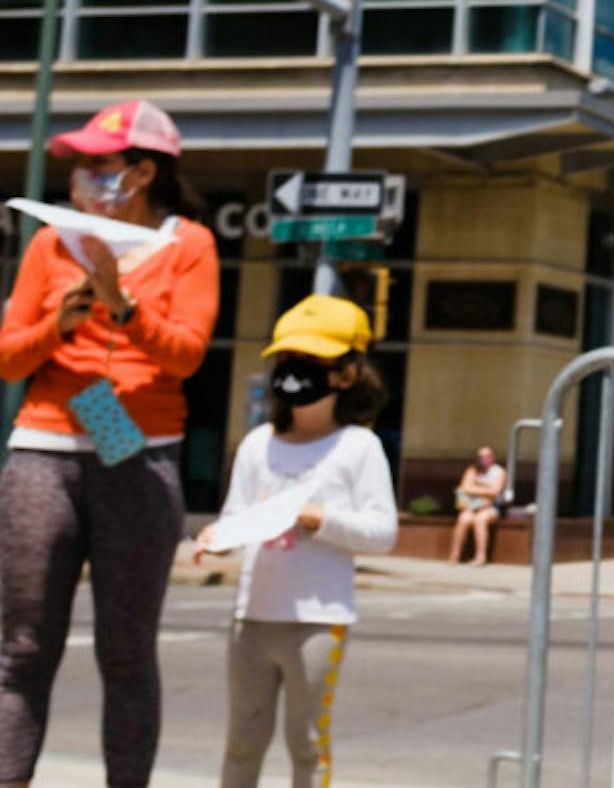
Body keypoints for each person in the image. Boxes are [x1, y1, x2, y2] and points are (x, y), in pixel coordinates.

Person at [0, 99, 217, 788]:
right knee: (23, 646)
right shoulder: (48, 243)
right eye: (81, 167)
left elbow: (184, 357)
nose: (85, 179)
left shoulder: (190, 245)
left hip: (137, 446)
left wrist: (122, 305)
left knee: (126, 653)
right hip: (45, 443)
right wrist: (56, 327)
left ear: (144, 172)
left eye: (101, 165)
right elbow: (8, 360)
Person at [198, 293, 397, 788]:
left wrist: (318, 519)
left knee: (307, 743)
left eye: (310, 362)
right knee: (243, 741)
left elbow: (382, 532)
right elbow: (235, 518)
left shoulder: (359, 447)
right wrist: (216, 539)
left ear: (345, 374)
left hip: (318, 620)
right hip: (253, 618)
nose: (293, 372)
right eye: (286, 360)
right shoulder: (257, 444)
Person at [448, 445, 506, 565]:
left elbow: (496, 491)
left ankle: (480, 557)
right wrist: (485, 489)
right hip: (471, 506)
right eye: (481, 456)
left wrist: (475, 488)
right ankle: (454, 555)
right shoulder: (472, 470)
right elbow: (464, 487)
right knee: (463, 519)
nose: (484, 459)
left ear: (493, 457)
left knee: (480, 520)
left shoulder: (499, 471)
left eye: (487, 456)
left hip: (491, 508)